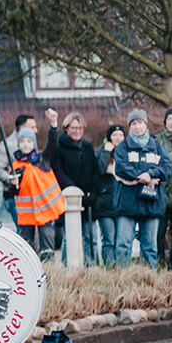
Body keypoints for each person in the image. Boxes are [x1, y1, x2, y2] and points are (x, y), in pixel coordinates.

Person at [112, 109, 172, 268]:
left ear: (146, 124)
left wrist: (150, 173)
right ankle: (122, 277)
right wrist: (143, 176)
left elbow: (167, 167)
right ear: (130, 126)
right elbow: (121, 168)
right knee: (123, 244)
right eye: (134, 123)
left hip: (151, 203)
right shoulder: (122, 148)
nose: (138, 127)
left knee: (150, 246)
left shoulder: (158, 146)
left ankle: (148, 278)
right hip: (127, 203)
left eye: (140, 123)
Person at [50, 110, 99, 264]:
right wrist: (73, 191)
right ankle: (68, 266)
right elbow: (58, 172)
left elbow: (94, 171)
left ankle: (90, 267)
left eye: (80, 128)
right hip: (69, 199)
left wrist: (92, 192)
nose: (77, 131)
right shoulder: (59, 146)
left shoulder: (87, 147)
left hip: (87, 199)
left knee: (89, 235)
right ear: (66, 128)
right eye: (73, 128)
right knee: (69, 235)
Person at [12, 121, 65, 259]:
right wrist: (12, 185)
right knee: (26, 246)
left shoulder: (42, 159)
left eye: (29, 141)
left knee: (47, 243)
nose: (25, 144)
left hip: (46, 209)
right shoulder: (16, 165)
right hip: (26, 213)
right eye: (22, 141)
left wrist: (53, 125)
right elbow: (11, 192)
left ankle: (49, 270)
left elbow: (52, 145)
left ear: (34, 144)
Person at [0, 114, 37, 231]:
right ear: (22, 128)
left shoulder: (32, 144)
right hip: (14, 197)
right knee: (23, 232)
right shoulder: (8, 145)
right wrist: (11, 178)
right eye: (32, 127)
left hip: (30, 197)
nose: (36, 131)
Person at [95, 124, 125, 267]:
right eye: (114, 135)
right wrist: (107, 152)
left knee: (121, 240)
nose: (118, 138)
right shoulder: (101, 151)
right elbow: (100, 169)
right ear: (109, 137)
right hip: (105, 202)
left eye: (120, 135)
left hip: (123, 203)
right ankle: (109, 267)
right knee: (109, 239)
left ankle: (121, 268)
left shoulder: (127, 152)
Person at [154, 109, 172, 267]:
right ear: (165, 121)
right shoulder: (157, 140)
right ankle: (159, 263)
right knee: (158, 232)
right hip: (160, 192)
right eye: (170, 119)